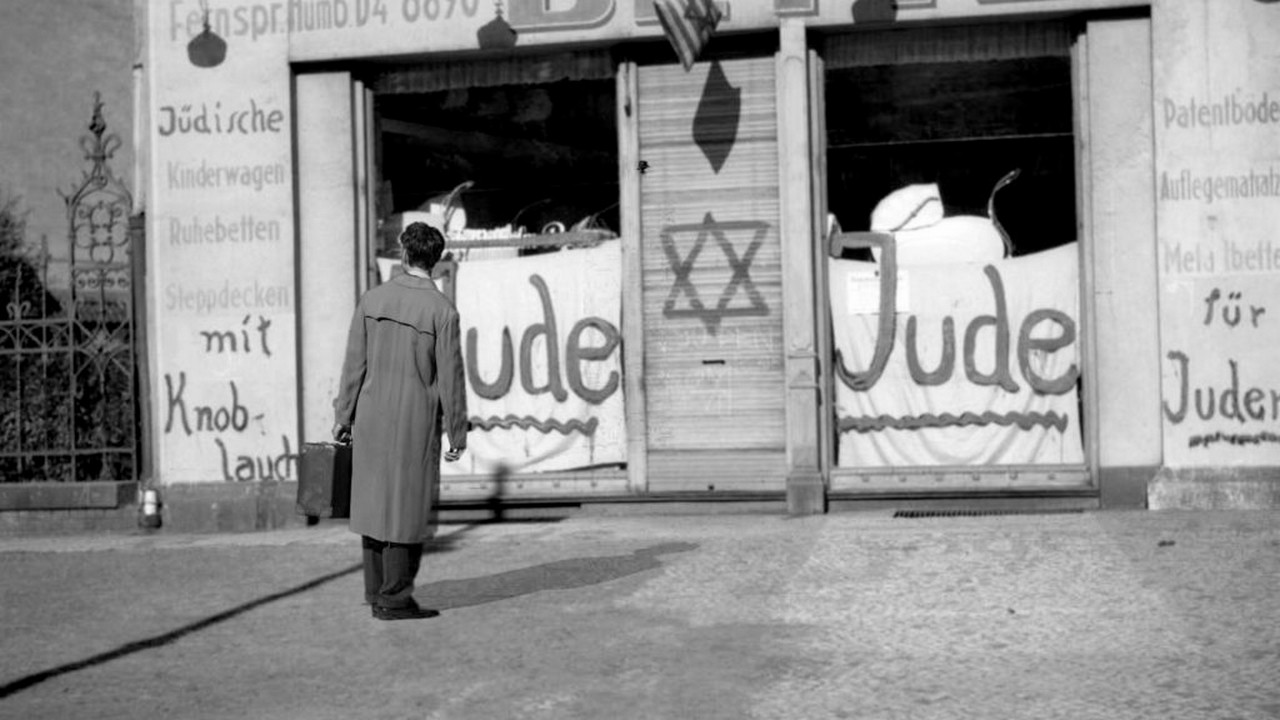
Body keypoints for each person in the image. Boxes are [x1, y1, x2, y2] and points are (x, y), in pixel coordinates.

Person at [333, 221, 469, 621]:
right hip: (415, 420)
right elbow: (451, 378)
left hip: (371, 415)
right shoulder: (442, 311)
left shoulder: (372, 299)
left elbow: (353, 364)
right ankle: (395, 599)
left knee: (373, 502)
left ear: (403, 252)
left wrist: (343, 415)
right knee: (407, 506)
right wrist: (457, 432)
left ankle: (375, 591)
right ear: (436, 260)